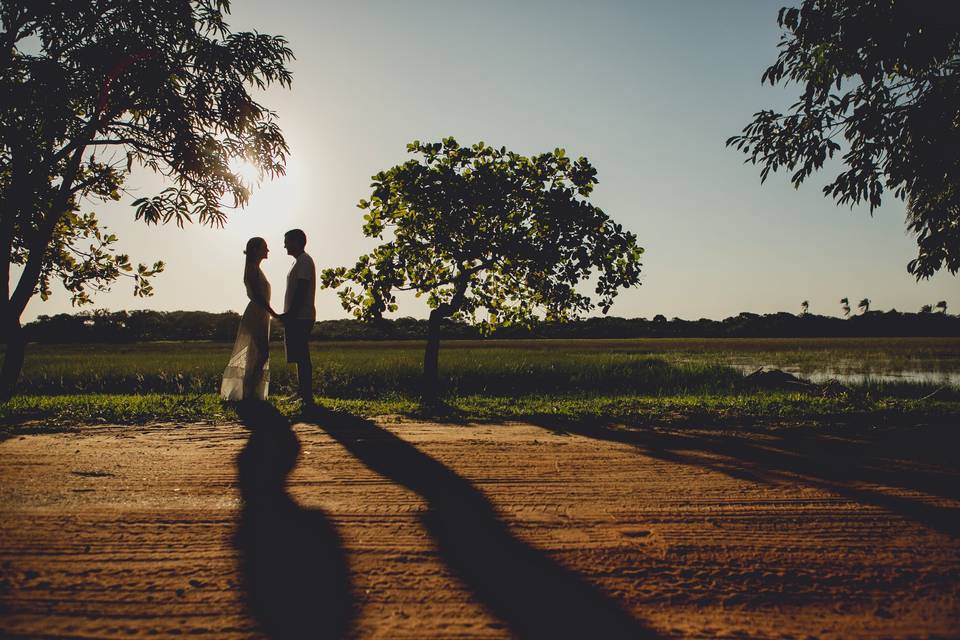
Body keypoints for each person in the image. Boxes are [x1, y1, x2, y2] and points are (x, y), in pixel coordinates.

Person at [221, 237, 278, 401]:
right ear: (256, 250)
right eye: (265, 247)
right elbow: (259, 296)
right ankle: (249, 392)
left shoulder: (256, 268)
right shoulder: (252, 269)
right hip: (256, 313)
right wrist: (273, 313)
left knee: (257, 353)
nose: (268, 250)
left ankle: (251, 392)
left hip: (261, 313)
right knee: (261, 353)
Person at [278, 228, 316, 407]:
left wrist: (290, 314)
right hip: (296, 316)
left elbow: (302, 289)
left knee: (302, 356)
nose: (284, 244)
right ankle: (303, 393)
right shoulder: (298, 262)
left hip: (301, 316)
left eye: (287, 241)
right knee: (299, 356)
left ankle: (306, 396)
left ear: (297, 242)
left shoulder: (304, 262)